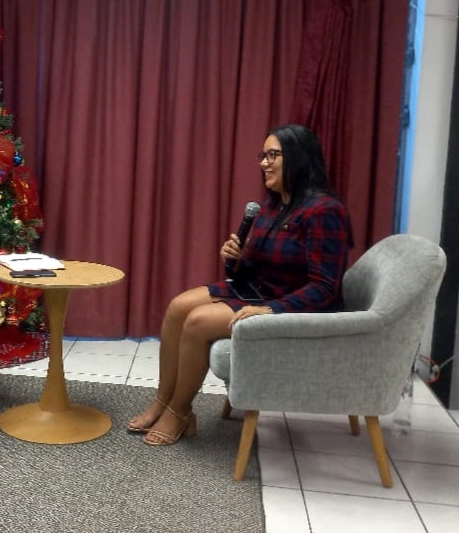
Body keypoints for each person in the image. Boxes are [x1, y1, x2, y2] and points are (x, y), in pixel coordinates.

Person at [128, 123, 353, 446]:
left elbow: (325, 287)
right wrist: (234, 261)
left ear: (298, 157)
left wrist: (271, 309)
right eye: (263, 155)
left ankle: (179, 411)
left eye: (273, 155)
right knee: (178, 306)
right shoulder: (272, 206)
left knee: (197, 321)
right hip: (261, 289)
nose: (264, 163)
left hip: (292, 305)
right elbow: (252, 272)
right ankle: (162, 401)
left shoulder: (324, 211)